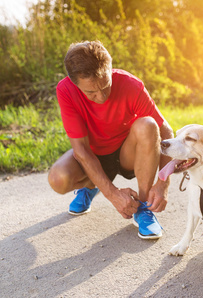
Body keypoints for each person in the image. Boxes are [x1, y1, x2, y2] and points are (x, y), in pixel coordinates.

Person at [48, 40, 173, 239]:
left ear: (110, 69)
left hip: (127, 153)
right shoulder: (65, 90)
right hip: (95, 153)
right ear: (75, 83)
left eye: (106, 86)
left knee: (148, 125)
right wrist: (112, 194)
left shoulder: (131, 85)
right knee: (57, 179)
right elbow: (80, 150)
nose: (101, 96)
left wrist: (163, 183)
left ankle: (142, 207)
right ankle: (90, 187)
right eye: (91, 92)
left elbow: (166, 132)